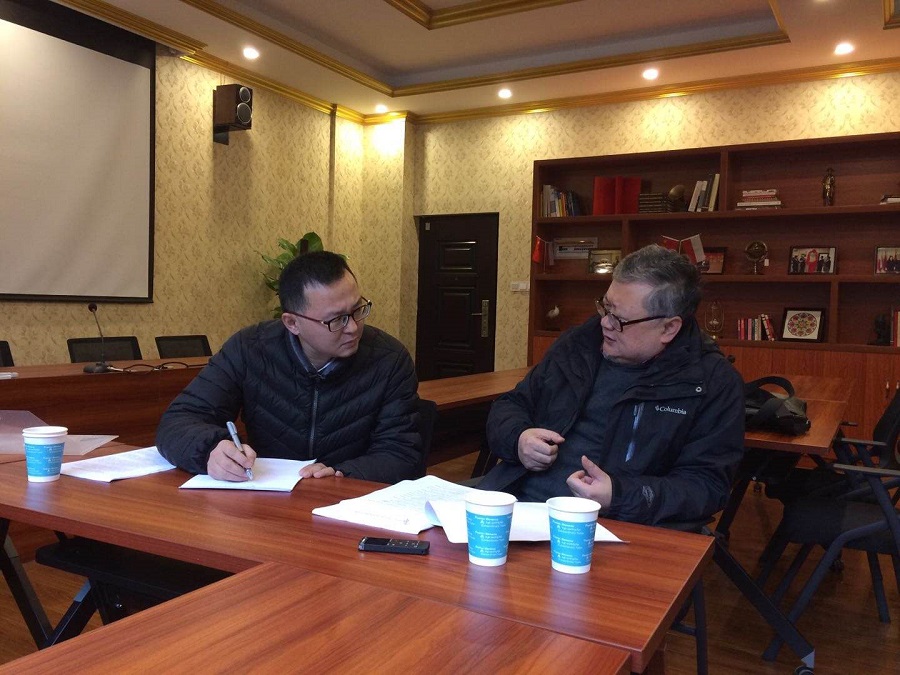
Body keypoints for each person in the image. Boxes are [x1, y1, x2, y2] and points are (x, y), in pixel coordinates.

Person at [480, 244, 744, 526]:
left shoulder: (712, 382)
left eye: (620, 319)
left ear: (668, 328)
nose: (605, 323)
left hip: (616, 526)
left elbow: (706, 486)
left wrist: (618, 496)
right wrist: (519, 439)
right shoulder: (578, 345)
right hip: (518, 504)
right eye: (605, 308)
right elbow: (511, 404)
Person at [156, 251, 423, 483]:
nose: (353, 327)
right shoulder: (250, 349)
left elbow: (401, 453)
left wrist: (342, 473)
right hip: (267, 500)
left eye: (358, 310)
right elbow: (178, 421)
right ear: (292, 323)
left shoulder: (388, 359)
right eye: (337, 320)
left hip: (349, 502)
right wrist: (210, 451)